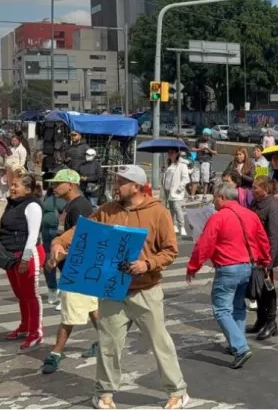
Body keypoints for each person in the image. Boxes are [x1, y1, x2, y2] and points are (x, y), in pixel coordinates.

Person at [49, 165, 189, 410]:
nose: (115, 186)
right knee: (109, 344)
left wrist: (147, 264)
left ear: (136, 186)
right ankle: (104, 393)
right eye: (116, 181)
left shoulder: (158, 213)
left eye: (121, 182)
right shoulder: (107, 210)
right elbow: (82, 231)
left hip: (146, 290)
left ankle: (177, 391)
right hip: (112, 289)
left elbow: (170, 251)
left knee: (160, 343)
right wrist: (59, 242)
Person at [186, 183, 271, 369]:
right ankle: (237, 343)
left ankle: (240, 347)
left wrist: (193, 267)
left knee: (222, 309)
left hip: (227, 267)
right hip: (247, 266)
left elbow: (204, 245)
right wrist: (265, 262)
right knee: (238, 306)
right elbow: (262, 240)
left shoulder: (219, 218)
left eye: (214, 198)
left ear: (221, 197)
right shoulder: (250, 215)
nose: (213, 202)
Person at [41, 169, 98, 374]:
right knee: (92, 308)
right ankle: (106, 342)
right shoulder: (71, 205)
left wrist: (56, 259)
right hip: (74, 265)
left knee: (69, 312)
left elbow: (83, 239)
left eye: (58, 183)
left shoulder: (80, 206)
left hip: (78, 267)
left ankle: (56, 352)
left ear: (71, 185)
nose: (53, 187)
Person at [0, 171, 45, 351]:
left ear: (28, 189)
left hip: (28, 255)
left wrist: (25, 259)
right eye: (12, 184)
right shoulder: (12, 203)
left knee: (31, 295)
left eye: (16, 185)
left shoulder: (32, 206)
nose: (12, 188)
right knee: (20, 294)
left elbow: (33, 235)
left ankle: (36, 331)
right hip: (11, 255)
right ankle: (25, 326)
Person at [247, 176, 278, 339]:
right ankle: (261, 320)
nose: (252, 190)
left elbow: (274, 237)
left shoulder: (273, 207)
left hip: (266, 255)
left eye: (255, 188)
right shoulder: (255, 203)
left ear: (265, 190)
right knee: (259, 288)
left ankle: (271, 322)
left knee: (268, 288)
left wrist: (268, 261)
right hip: (255, 253)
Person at [41, 182, 66, 308]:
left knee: (62, 264)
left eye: (57, 185)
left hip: (60, 234)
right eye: (53, 185)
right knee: (47, 262)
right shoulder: (46, 198)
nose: (54, 187)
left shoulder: (66, 201)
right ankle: (52, 289)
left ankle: (62, 295)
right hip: (46, 233)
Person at [163, 149, 191, 237]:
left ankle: (182, 226)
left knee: (177, 208)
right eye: (168, 152)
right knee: (171, 208)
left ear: (176, 154)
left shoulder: (182, 165)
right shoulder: (169, 164)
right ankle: (174, 225)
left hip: (176, 191)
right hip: (168, 190)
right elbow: (166, 178)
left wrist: (180, 188)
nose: (169, 154)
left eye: (171, 153)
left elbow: (186, 178)